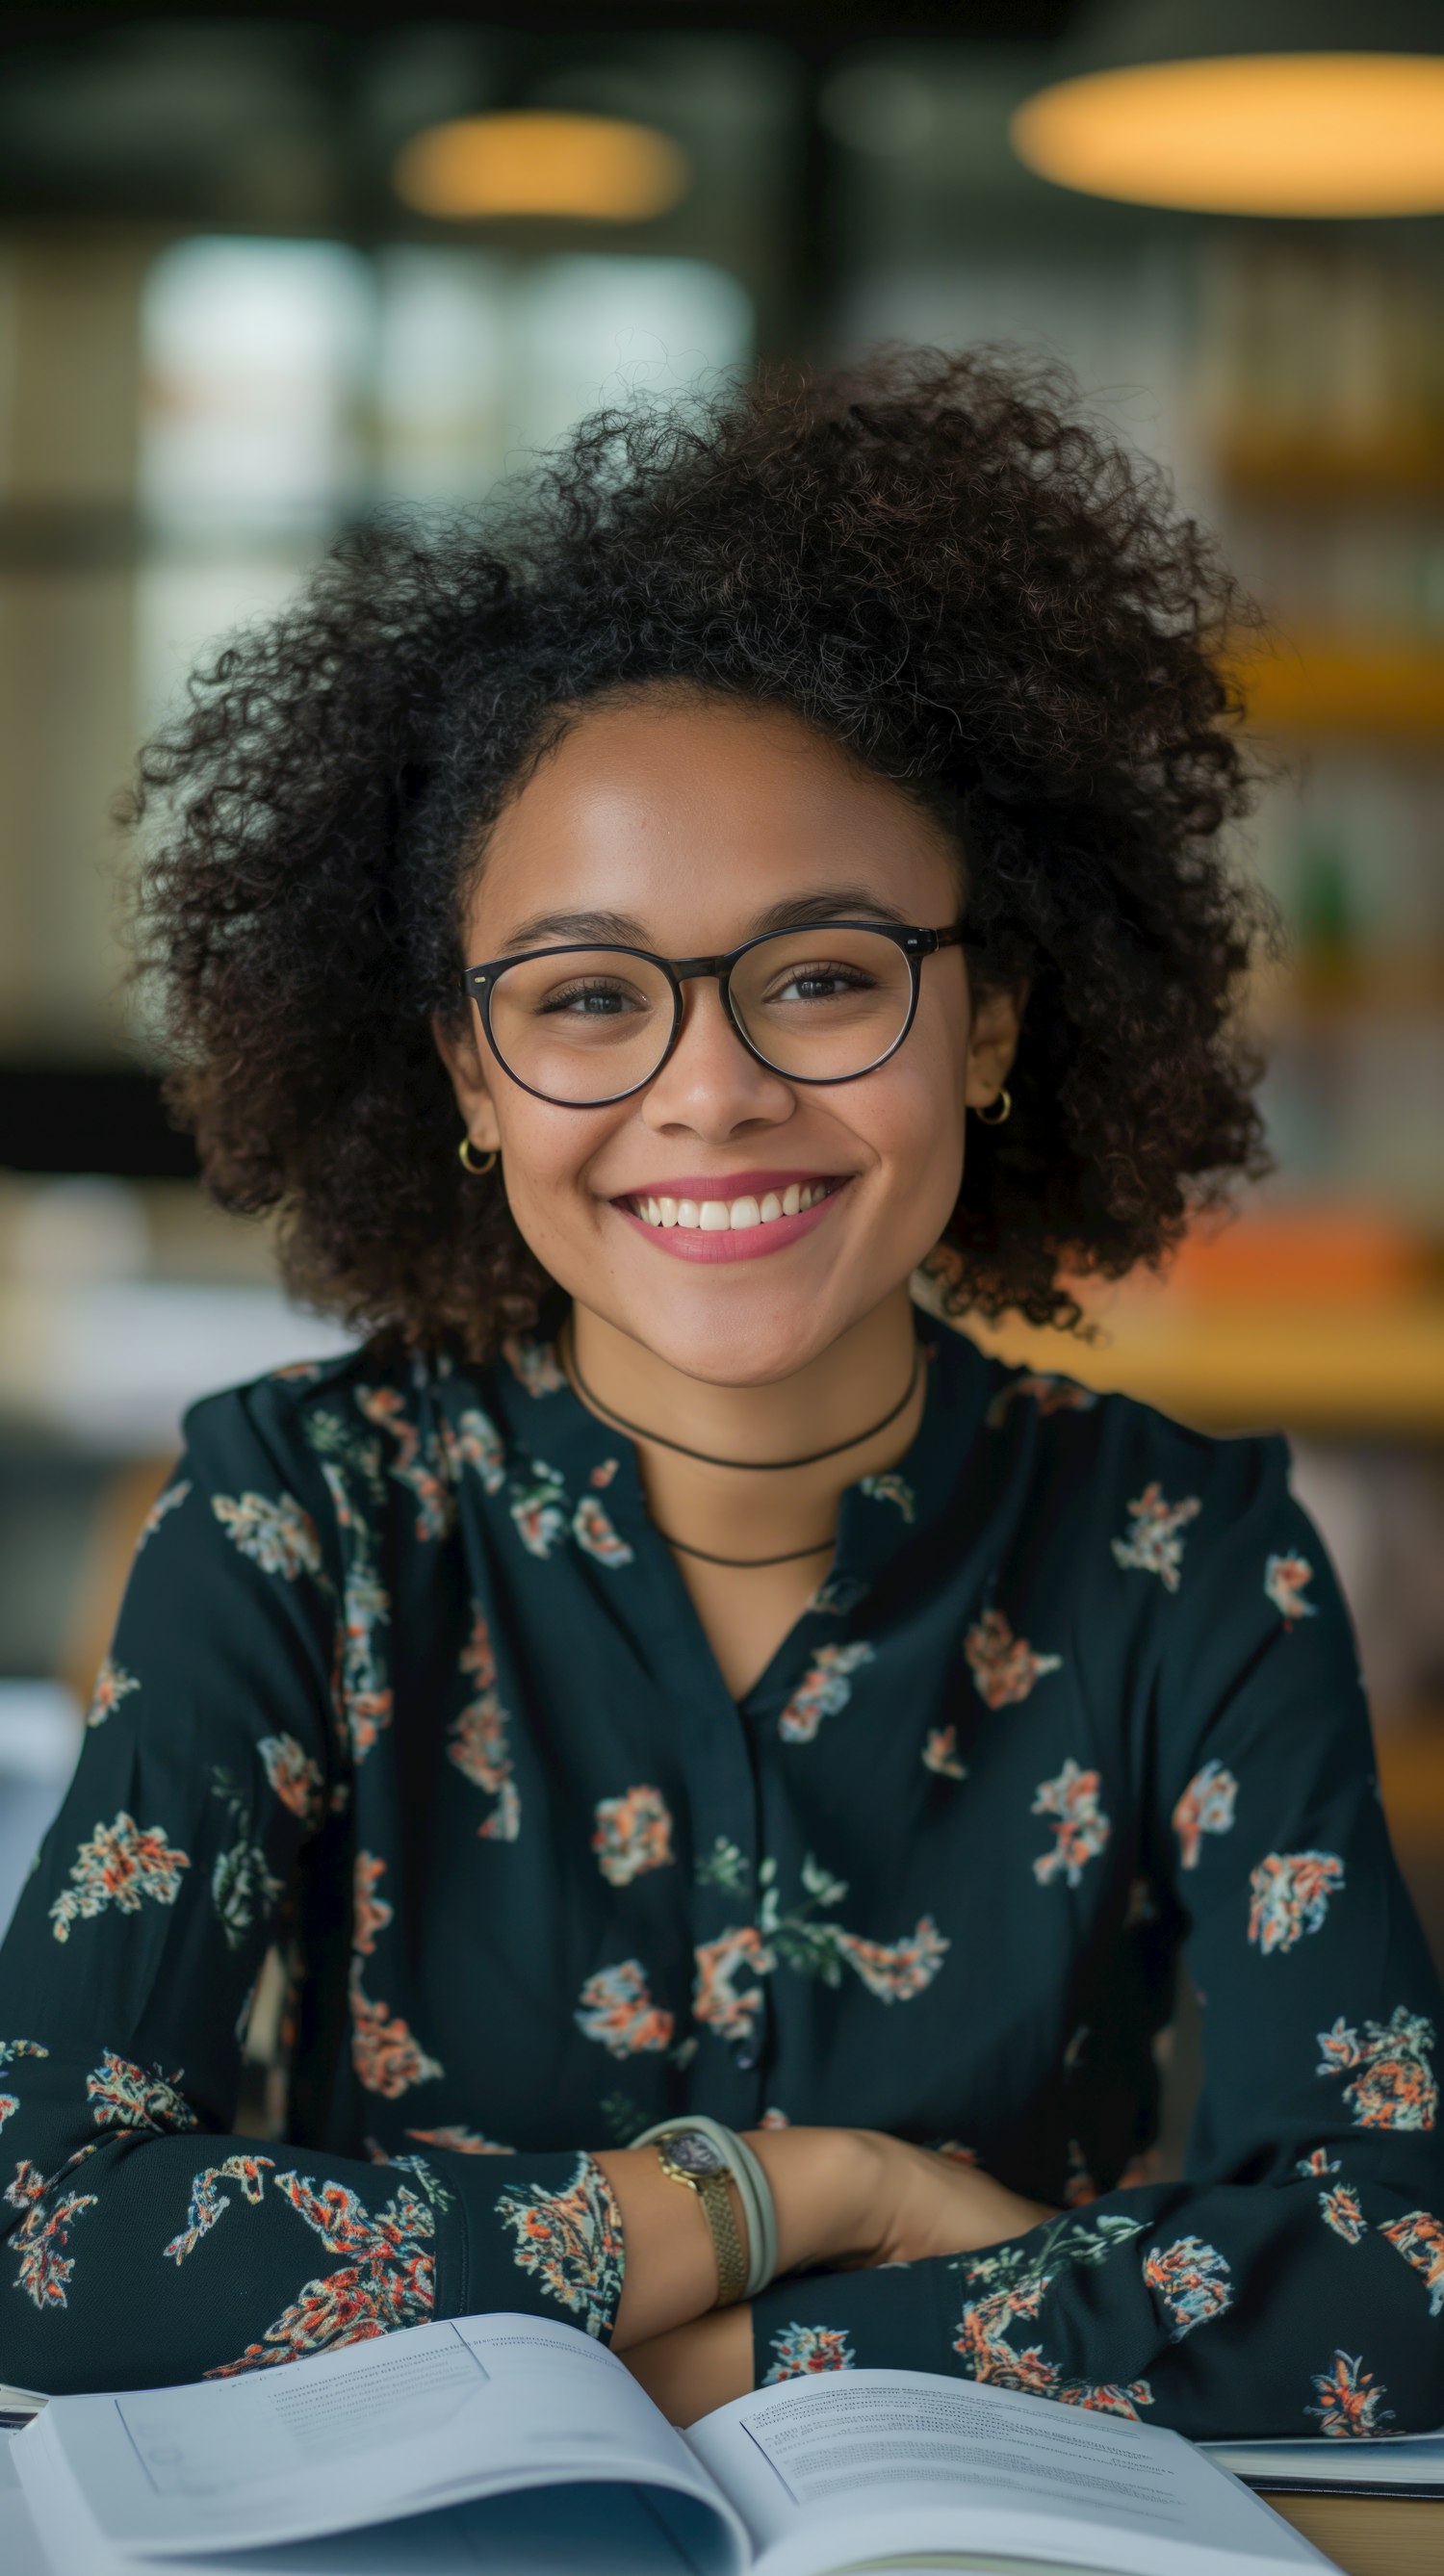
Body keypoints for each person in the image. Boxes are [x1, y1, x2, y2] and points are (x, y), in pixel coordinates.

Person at [2, 347, 1440, 2439]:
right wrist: (788, 2200)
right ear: (470, 1079)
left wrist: (753, 2356)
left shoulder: (1195, 1562)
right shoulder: (287, 1522)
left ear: (991, 1026)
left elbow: (1403, 2254)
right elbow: (38, 2226)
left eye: (827, 976)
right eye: (588, 999)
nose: (712, 1091)